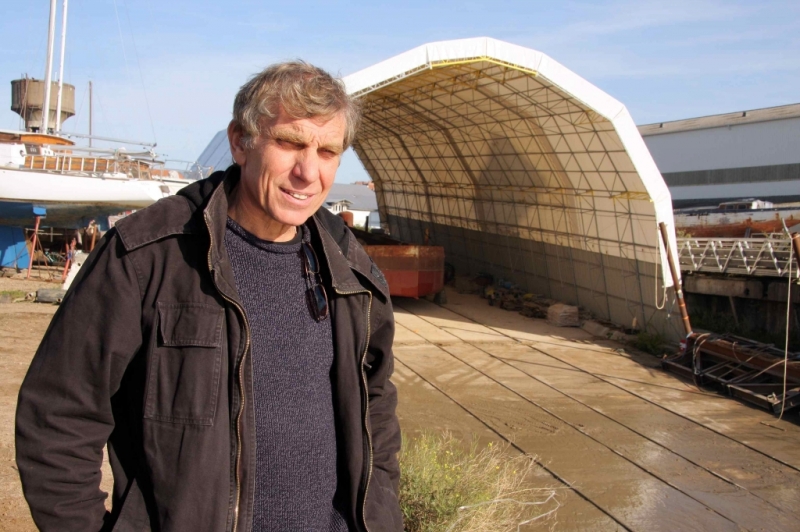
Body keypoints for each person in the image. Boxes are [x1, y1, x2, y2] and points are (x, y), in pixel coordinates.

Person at [15, 61, 402, 532]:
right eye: (290, 143)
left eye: (327, 151)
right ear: (240, 142)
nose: (308, 171)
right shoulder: (149, 255)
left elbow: (376, 408)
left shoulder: (349, 268)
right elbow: (58, 418)